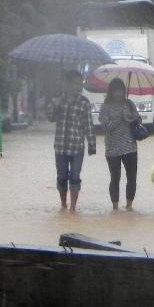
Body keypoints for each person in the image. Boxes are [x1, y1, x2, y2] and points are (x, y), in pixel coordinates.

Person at [49, 70, 95, 213]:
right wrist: (56, 105)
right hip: (60, 146)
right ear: (66, 84)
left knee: (75, 176)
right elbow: (50, 118)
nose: (78, 87)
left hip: (77, 147)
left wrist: (92, 145)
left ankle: (73, 208)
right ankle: (63, 205)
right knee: (62, 177)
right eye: (75, 84)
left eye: (80, 84)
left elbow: (88, 125)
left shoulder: (84, 103)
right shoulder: (57, 100)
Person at [98, 78, 141, 211]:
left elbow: (138, 120)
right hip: (112, 149)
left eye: (121, 90)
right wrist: (119, 117)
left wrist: (132, 115)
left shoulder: (129, 103)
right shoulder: (105, 107)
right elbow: (106, 127)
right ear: (111, 91)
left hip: (130, 147)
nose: (119, 93)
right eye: (116, 90)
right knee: (115, 178)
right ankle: (115, 207)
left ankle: (129, 206)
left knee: (132, 178)